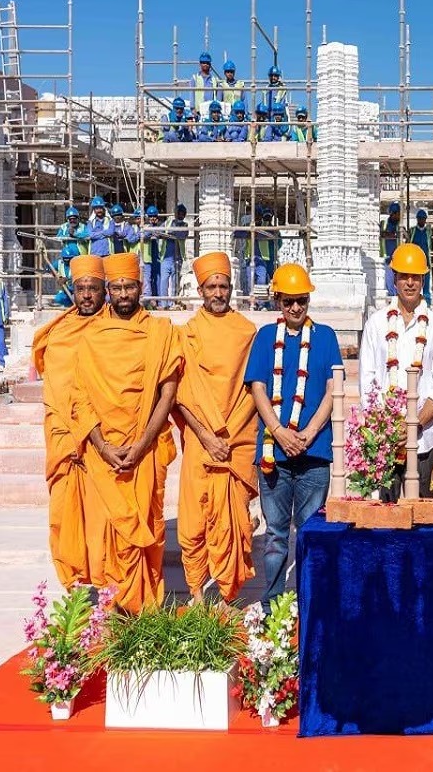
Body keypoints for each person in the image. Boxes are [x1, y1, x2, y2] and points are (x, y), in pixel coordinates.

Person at [68, 252, 183, 612]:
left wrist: (142, 443)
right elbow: (80, 398)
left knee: (147, 524)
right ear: (108, 290)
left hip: (144, 450)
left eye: (128, 287)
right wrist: (102, 447)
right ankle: (115, 607)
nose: (122, 294)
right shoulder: (91, 338)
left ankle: (146, 605)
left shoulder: (161, 333)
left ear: (141, 287)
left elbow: (168, 392)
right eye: (115, 287)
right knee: (109, 534)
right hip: (105, 454)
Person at [245, 263, 342, 608]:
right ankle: (272, 607)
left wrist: (309, 431)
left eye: (301, 300)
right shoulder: (265, 338)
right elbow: (257, 387)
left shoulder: (326, 336)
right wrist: (280, 432)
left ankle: (309, 606)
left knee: (311, 533)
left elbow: (334, 388)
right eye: (289, 302)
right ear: (278, 302)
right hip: (274, 453)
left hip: (314, 454)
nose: (296, 308)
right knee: (274, 535)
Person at [175, 253, 260, 603]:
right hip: (200, 439)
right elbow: (180, 394)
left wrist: (228, 435)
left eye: (223, 285)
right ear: (200, 290)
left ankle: (227, 596)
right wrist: (208, 437)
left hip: (237, 441)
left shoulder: (247, 332)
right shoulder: (187, 334)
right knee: (194, 521)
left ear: (231, 288)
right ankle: (196, 594)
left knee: (234, 521)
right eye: (211, 286)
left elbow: (255, 388)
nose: (218, 292)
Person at [31, 254, 107, 589]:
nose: (87, 295)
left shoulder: (116, 329)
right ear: (72, 291)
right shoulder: (57, 333)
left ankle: (108, 589)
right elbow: (55, 387)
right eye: (81, 288)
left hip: (102, 440)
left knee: (103, 521)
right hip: (64, 439)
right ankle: (73, 584)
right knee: (65, 516)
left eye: (93, 288)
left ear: (104, 290)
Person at [358, 244, 433, 500]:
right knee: (384, 519)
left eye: (416, 277)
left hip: (424, 439)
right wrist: (386, 427)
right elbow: (368, 383)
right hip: (383, 440)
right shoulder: (376, 324)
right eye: (403, 276)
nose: (410, 283)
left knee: (421, 517)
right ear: (394, 278)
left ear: (423, 279)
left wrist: (414, 424)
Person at [161, 204, 189, 303]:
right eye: (179, 213)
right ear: (175, 214)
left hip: (177, 257)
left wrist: (169, 234)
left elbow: (181, 235)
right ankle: (163, 304)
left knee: (175, 282)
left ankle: (172, 303)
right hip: (165, 257)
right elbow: (158, 232)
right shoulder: (168, 223)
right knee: (163, 281)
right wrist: (168, 234)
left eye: (182, 214)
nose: (180, 216)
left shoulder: (185, 225)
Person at [138, 206, 163, 303]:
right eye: (151, 216)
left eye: (154, 216)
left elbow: (160, 234)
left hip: (157, 256)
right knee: (148, 278)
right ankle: (150, 301)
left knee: (158, 279)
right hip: (148, 256)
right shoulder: (145, 228)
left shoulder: (161, 226)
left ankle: (159, 301)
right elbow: (143, 236)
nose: (153, 218)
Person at [409, 209, 433, 302]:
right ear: (417, 219)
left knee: (426, 283)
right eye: (420, 218)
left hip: (425, 261)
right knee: (414, 282)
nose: (422, 220)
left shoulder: (428, 231)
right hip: (415, 262)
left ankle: (427, 302)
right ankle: (414, 300)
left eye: (423, 219)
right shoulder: (412, 231)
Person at [381, 202, 403, 297]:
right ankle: (392, 297)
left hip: (398, 257)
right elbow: (382, 234)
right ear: (392, 213)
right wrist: (392, 234)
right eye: (397, 214)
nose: (398, 216)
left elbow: (404, 236)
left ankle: (398, 296)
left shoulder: (401, 226)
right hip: (387, 257)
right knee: (389, 278)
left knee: (399, 279)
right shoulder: (384, 224)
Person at [50, 244, 79, 308]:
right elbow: (50, 268)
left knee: (78, 299)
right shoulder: (59, 263)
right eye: (65, 258)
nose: (67, 260)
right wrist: (58, 277)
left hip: (76, 291)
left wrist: (67, 279)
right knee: (59, 298)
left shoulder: (77, 264)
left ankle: (75, 307)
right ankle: (70, 307)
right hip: (66, 290)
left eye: (69, 258)